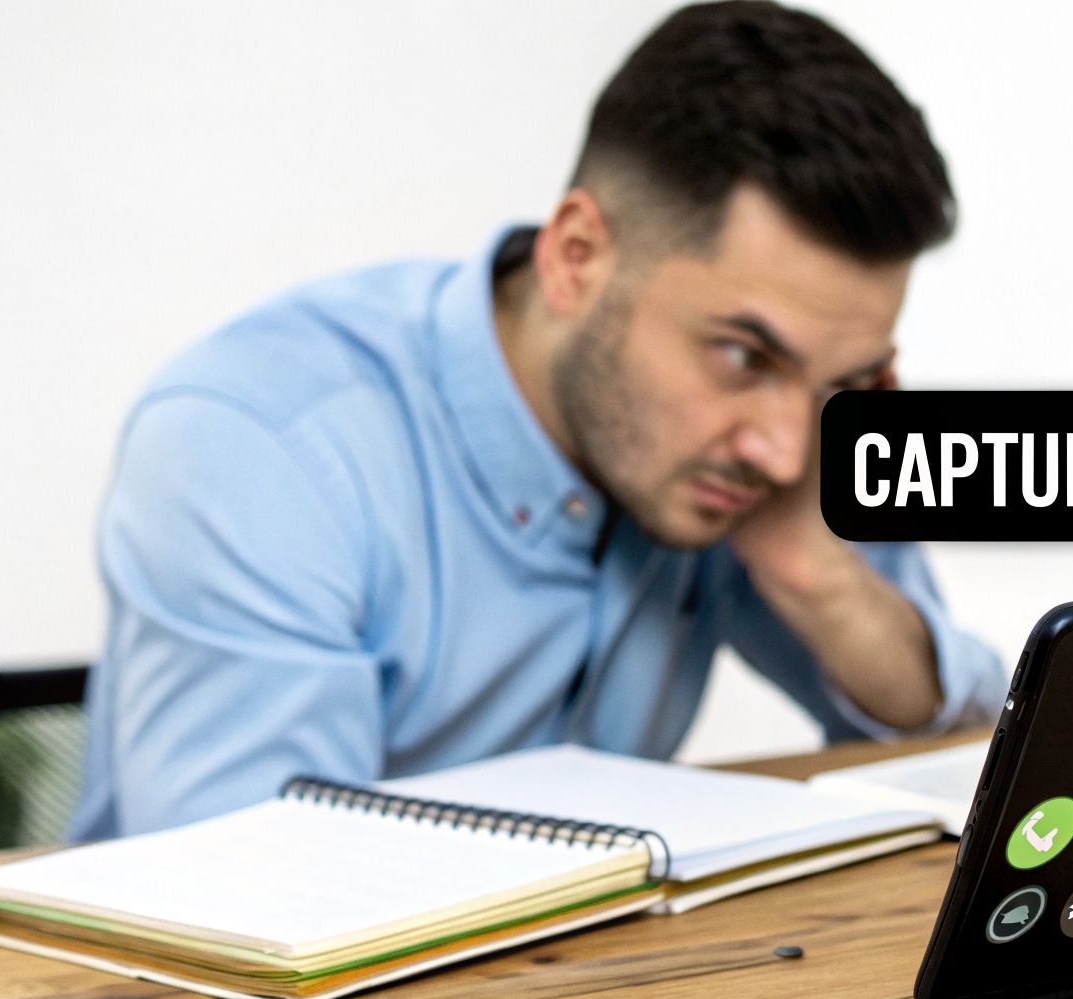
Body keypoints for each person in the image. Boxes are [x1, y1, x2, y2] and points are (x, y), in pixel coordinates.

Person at [69, 1, 1004, 840]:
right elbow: (249, 906)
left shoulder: (754, 453)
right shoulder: (261, 444)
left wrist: (821, 581)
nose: (787, 448)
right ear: (577, 255)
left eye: (838, 381)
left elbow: (969, 768)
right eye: (743, 356)